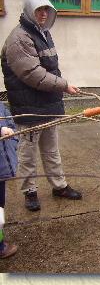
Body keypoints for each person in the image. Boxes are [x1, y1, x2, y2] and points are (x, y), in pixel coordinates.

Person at [1, 0, 82, 212]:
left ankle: (59, 185)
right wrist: (64, 85)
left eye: (46, 9)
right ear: (29, 10)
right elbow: (32, 74)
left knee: (51, 149)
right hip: (29, 107)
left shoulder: (43, 33)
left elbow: (52, 67)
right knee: (27, 152)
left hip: (48, 104)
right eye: (39, 10)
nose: (44, 14)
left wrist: (60, 86)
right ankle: (30, 191)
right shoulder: (19, 38)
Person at [0, 102, 18, 258]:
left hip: (2, 168)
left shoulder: (0, 105)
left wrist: (13, 139)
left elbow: (11, 123)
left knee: (0, 207)